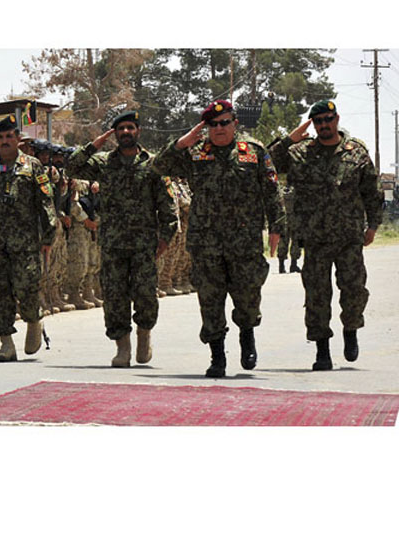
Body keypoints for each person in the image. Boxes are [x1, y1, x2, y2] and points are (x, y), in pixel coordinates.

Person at [153, 99, 283, 378]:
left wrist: (277, 227)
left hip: (244, 242)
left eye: (225, 122)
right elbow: (158, 166)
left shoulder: (255, 152)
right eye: (213, 124)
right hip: (206, 242)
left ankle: (247, 334)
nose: (219, 128)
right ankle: (217, 356)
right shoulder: (196, 153)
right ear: (206, 127)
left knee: (248, 297)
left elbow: (272, 191)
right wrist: (181, 143)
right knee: (210, 300)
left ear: (235, 123)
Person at [267, 100, 383, 370]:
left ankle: (350, 330)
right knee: (317, 297)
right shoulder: (300, 152)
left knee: (354, 291)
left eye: (327, 119)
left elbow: (372, 192)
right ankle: (322, 351)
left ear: (337, 118)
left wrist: (373, 226)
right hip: (315, 239)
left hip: (349, 238)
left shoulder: (357, 153)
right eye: (317, 121)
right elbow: (266, 163)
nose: (323, 125)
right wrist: (289, 138)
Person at [67, 110, 178, 366]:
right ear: (114, 134)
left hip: (144, 243)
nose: (125, 132)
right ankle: (122, 347)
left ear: (138, 131)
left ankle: (144, 334)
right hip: (113, 243)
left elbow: (167, 204)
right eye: (120, 129)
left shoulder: (153, 163)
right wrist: (96, 143)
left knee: (146, 294)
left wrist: (166, 238)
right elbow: (72, 166)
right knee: (114, 296)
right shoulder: (104, 162)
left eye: (130, 128)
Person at [0, 115, 58, 362]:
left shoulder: (33, 166)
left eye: (9, 137)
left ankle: (34, 321)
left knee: (27, 288)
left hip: (25, 243)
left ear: (18, 139)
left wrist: (49, 234)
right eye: (0, 138)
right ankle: (6, 343)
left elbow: (45, 202)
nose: (5, 141)